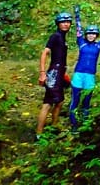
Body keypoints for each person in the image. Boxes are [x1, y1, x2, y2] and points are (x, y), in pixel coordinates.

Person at [68, 5, 100, 131]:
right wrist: (77, 15)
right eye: (89, 34)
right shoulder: (81, 43)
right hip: (78, 75)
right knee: (75, 101)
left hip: (90, 76)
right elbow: (78, 29)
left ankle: (85, 126)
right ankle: (74, 126)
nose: (91, 36)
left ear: (96, 35)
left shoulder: (98, 45)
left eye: (94, 34)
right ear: (86, 35)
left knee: (86, 102)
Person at [36, 11, 71, 140]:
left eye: (68, 22)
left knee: (55, 102)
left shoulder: (62, 37)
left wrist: (64, 73)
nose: (66, 24)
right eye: (63, 22)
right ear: (58, 24)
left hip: (59, 73)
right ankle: (40, 133)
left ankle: (53, 126)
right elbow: (45, 53)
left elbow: (60, 57)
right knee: (52, 102)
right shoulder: (55, 36)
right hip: (54, 74)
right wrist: (42, 73)